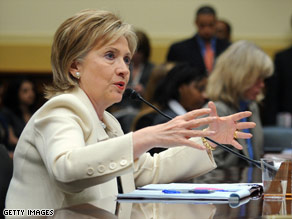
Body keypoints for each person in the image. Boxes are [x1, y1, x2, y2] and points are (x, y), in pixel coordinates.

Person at [6, 9, 255, 211]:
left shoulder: (107, 121)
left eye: (127, 59)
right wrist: (145, 137)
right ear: (74, 66)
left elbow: (148, 170)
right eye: (110, 56)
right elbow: (67, 169)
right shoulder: (60, 111)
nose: (125, 69)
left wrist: (208, 140)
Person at [203, 40, 274, 168]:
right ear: (239, 76)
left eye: (263, 79)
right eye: (257, 78)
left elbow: (255, 158)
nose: (262, 85)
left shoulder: (251, 106)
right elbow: (206, 169)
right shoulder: (214, 111)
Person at [166, 5, 230, 75]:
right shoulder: (179, 49)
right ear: (196, 23)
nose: (207, 30)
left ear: (216, 23)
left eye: (211, 25)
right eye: (202, 25)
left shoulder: (228, 48)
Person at [2, 77, 38, 151]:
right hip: (15, 152)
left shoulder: (35, 112)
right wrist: (32, 148)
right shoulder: (7, 113)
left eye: (32, 90)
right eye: (25, 91)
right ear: (16, 93)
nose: (31, 94)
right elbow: (11, 139)